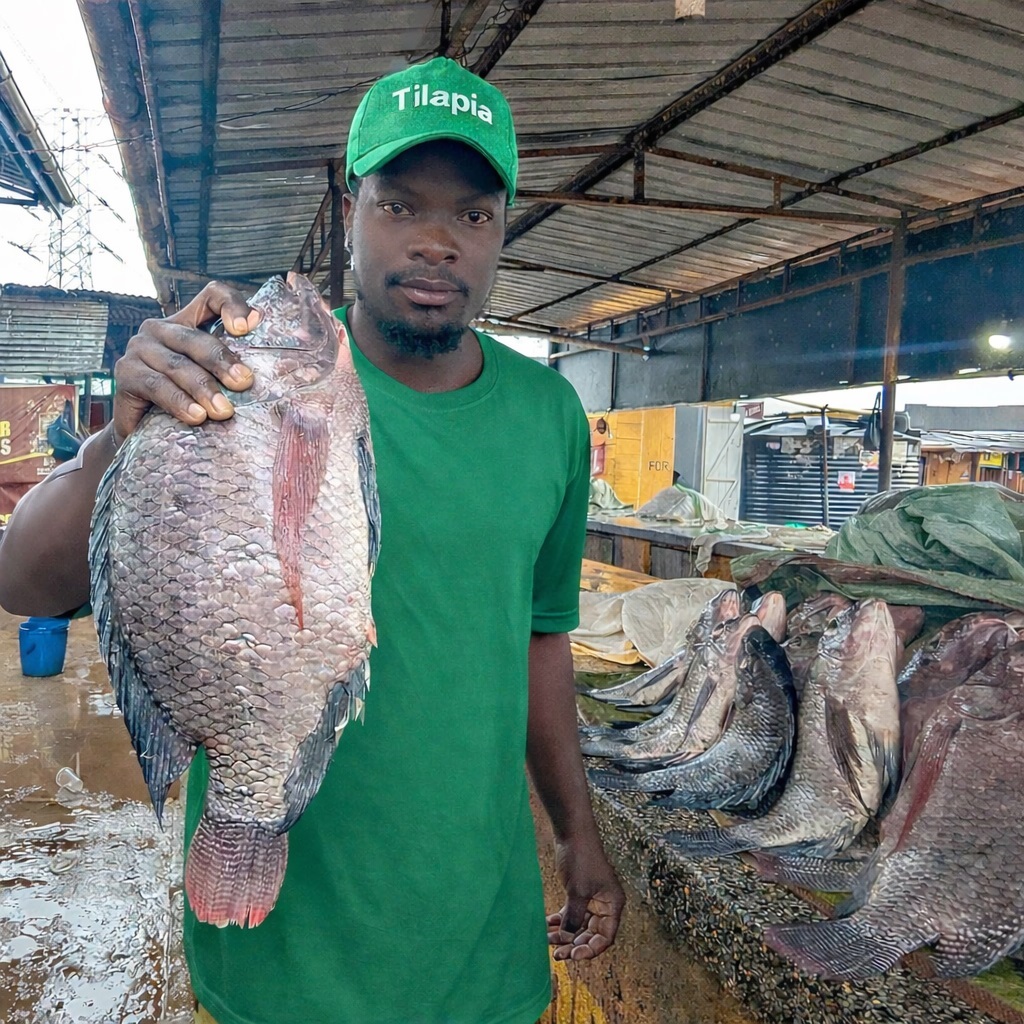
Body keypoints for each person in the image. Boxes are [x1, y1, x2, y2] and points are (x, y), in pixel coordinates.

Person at [0, 57, 624, 1024]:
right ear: (350, 209)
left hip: (483, 946)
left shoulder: (549, 416)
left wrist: (578, 833)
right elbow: (22, 583)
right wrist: (116, 442)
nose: (437, 241)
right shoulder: (227, 388)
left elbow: (541, 637)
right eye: (401, 203)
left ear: (503, 230)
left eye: (473, 216)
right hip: (280, 966)